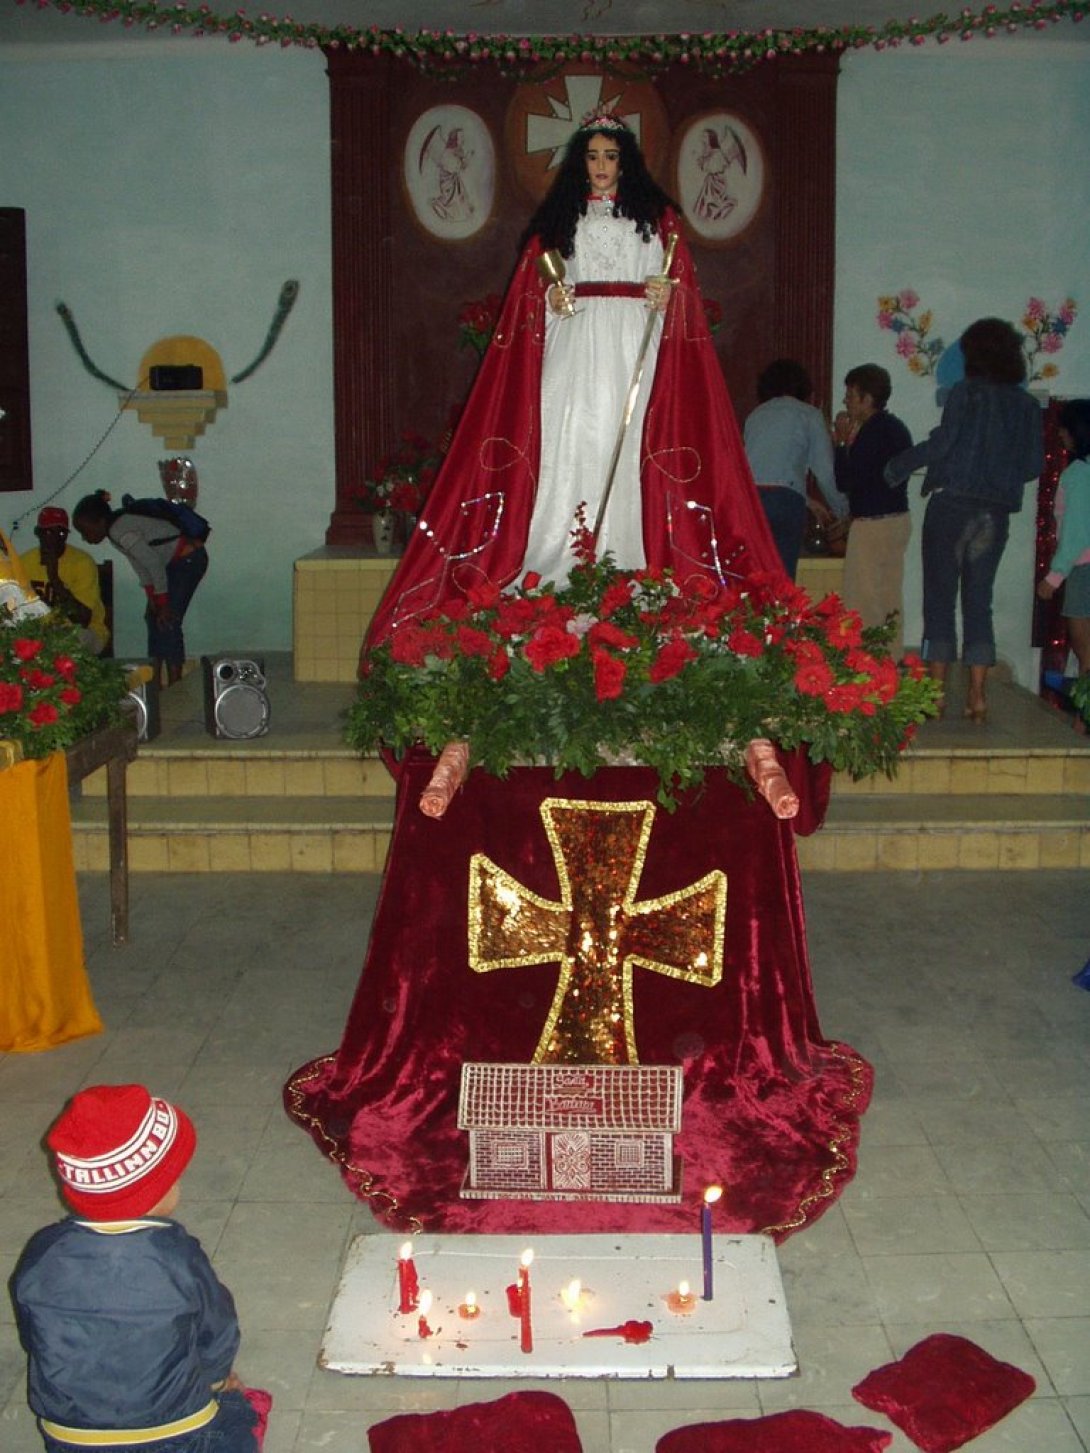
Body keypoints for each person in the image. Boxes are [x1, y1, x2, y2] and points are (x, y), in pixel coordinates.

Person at [364, 108, 781, 650]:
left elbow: (680, 285)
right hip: (575, 335)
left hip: (634, 336)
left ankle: (628, 552)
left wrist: (667, 292)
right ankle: (560, 548)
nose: (602, 165)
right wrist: (549, 296)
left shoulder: (657, 219)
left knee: (629, 441)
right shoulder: (559, 221)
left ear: (626, 161)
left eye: (611, 155)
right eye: (592, 156)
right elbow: (530, 289)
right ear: (579, 163)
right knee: (570, 433)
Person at [10, 1083, 266, 1453]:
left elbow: (33, 1335)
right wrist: (218, 1382)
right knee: (239, 1416)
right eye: (174, 1176)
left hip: (70, 1436)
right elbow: (217, 1333)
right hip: (176, 1431)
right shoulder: (177, 1257)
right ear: (154, 1190)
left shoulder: (42, 1251)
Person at [885, 317, 1044, 720]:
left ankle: (935, 695)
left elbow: (943, 445)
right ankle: (977, 696)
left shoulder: (965, 394)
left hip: (952, 507)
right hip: (994, 515)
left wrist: (898, 466)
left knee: (939, 599)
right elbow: (1030, 466)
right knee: (979, 602)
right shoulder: (1026, 405)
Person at [72, 490, 208, 686]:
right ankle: (156, 681)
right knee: (153, 618)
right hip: (172, 564)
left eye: (86, 531)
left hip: (187, 560)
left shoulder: (120, 530)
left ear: (100, 521)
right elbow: (140, 564)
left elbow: (153, 563)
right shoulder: (115, 531)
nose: (85, 538)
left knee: (168, 621)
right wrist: (153, 598)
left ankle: (175, 685)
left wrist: (162, 602)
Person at [832, 363, 913, 658]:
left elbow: (846, 480)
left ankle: (864, 662)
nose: (846, 402)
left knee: (862, 596)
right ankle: (890, 658)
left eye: (851, 395)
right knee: (889, 594)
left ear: (867, 399)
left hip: (873, 525)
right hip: (897, 519)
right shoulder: (896, 428)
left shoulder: (873, 431)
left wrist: (841, 443)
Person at [744, 358, 844, 580]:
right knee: (783, 577)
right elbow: (825, 472)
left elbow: (758, 469)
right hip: (786, 502)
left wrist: (808, 500)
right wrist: (842, 509)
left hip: (751, 500)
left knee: (755, 576)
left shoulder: (756, 415)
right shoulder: (809, 415)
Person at [1037, 398, 1090, 680]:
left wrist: (1054, 577)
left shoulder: (1079, 473)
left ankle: (1084, 720)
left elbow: (1077, 533)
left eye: (1065, 429)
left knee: (1086, 652)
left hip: (1084, 569)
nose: (1060, 434)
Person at [20, 506, 109, 654]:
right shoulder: (24, 562)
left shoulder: (82, 562)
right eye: (48, 532)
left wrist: (54, 578)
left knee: (67, 641)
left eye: (61, 533)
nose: (54, 538)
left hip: (83, 631)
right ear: (38, 533)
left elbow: (83, 620)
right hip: (38, 632)